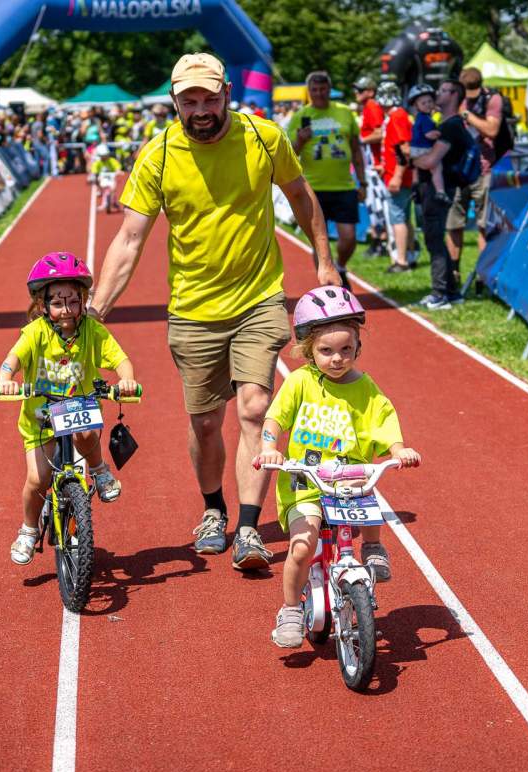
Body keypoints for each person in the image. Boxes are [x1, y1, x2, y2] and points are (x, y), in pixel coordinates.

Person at [89, 52, 341, 571]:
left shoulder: (263, 138)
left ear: (227, 92)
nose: (201, 110)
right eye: (189, 101)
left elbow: (300, 194)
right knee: (205, 423)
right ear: (174, 102)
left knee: (254, 407)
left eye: (209, 98)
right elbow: (130, 239)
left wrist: (325, 261)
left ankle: (248, 527)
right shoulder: (159, 155)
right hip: (193, 309)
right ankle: (213, 510)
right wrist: (96, 312)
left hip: (258, 297)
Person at [255, 286, 421, 648]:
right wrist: (269, 447)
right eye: (326, 351)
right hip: (306, 483)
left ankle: (373, 547)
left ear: (357, 347)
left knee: (368, 496)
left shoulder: (366, 388)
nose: (337, 359)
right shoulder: (300, 382)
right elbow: (275, 419)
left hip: (348, 480)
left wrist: (399, 449)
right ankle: (290, 609)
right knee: (302, 546)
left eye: (346, 349)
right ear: (308, 350)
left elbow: (384, 422)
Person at [0, 252, 137, 566]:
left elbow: (120, 359)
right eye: (58, 303)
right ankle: (28, 529)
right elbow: (11, 361)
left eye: (74, 301)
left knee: (86, 434)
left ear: (83, 300)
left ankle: (99, 471)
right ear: (42, 305)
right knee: (38, 479)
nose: (67, 309)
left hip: (78, 408)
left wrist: (126, 379)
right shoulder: (35, 333)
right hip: (40, 419)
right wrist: (5, 380)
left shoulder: (92, 331)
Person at [288, 70, 367, 291]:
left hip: (344, 185)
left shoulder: (344, 113)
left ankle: (340, 266)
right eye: (314, 90)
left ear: (329, 90)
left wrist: (363, 182)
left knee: (349, 237)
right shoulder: (300, 116)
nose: (319, 93)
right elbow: (289, 154)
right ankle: (327, 285)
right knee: (319, 240)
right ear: (309, 91)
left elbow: (356, 149)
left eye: (323, 89)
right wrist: (300, 141)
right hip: (314, 188)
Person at [412, 79, 472, 310]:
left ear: (454, 95)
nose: (438, 93)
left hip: (439, 191)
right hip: (437, 188)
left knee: (434, 239)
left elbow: (430, 161)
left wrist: (412, 158)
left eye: (444, 90)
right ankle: (452, 292)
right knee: (435, 238)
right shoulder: (444, 123)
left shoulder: (450, 126)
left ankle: (439, 294)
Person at [446, 67, 504, 293]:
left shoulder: (492, 99)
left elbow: (492, 130)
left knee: (483, 226)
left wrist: (466, 115)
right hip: (456, 171)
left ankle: (482, 278)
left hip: (483, 170)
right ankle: (453, 274)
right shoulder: (453, 97)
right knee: (453, 225)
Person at [377, 81, 416, 274]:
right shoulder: (397, 116)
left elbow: (404, 149)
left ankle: (402, 260)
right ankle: (410, 255)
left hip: (397, 177)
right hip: (395, 174)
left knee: (398, 218)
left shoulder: (397, 116)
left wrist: (397, 176)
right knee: (404, 217)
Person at [353, 76, 387, 259]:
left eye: (360, 90)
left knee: (377, 205)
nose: (356, 93)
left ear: (370, 92)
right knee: (373, 204)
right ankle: (378, 241)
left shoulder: (372, 106)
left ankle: (381, 243)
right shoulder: (368, 107)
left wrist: (359, 140)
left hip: (375, 163)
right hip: (371, 163)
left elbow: (380, 132)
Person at [408, 84, 448, 204]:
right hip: (424, 148)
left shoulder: (419, 117)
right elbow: (428, 135)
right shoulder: (426, 119)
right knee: (436, 168)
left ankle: (415, 186)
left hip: (414, 149)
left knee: (416, 168)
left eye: (430, 101)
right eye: (423, 103)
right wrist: (440, 133)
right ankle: (440, 191)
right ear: (416, 106)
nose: (428, 105)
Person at [90, 143, 122, 212]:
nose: (104, 157)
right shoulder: (98, 162)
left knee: (113, 189)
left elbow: (117, 167)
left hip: (111, 178)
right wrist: (95, 174)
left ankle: (113, 201)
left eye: (105, 155)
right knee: (103, 188)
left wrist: (118, 171)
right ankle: (104, 202)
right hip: (102, 178)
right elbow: (94, 170)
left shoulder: (112, 160)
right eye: (103, 156)